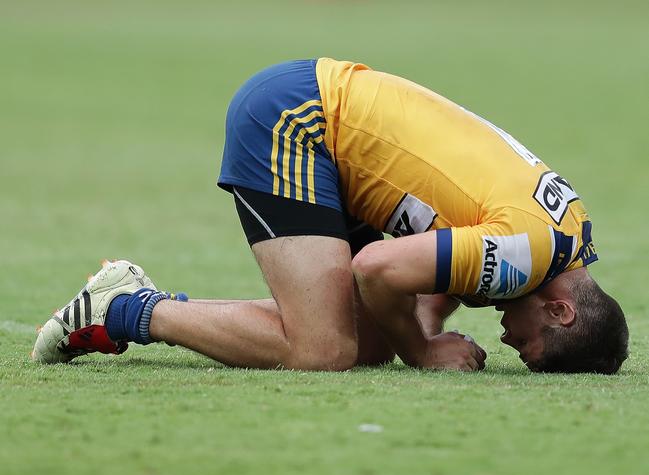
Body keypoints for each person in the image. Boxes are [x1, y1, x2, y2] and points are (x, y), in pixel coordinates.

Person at [32, 58, 628, 374]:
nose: (508, 342)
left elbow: (440, 266)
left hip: (335, 128)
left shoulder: (567, 235)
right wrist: (422, 352)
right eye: (529, 348)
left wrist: (420, 329)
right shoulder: (526, 256)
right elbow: (378, 269)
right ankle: (124, 307)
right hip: (301, 121)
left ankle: (136, 303)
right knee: (323, 349)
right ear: (560, 309)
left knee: (366, 344)